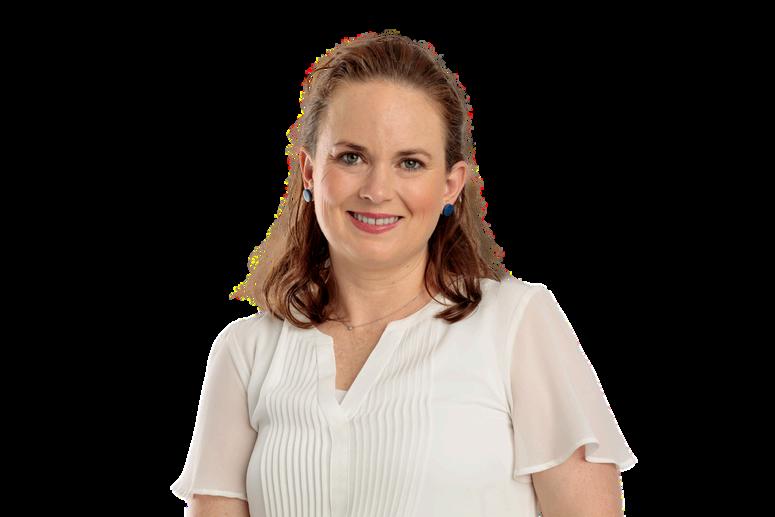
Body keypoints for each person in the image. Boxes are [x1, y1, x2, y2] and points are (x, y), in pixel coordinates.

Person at [171, 30, 637, 517]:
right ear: (308, 171)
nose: (377, 190)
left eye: (410, 163)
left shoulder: (516, 324)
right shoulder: (246, 353)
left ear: (451, 185)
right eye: (351, 157)